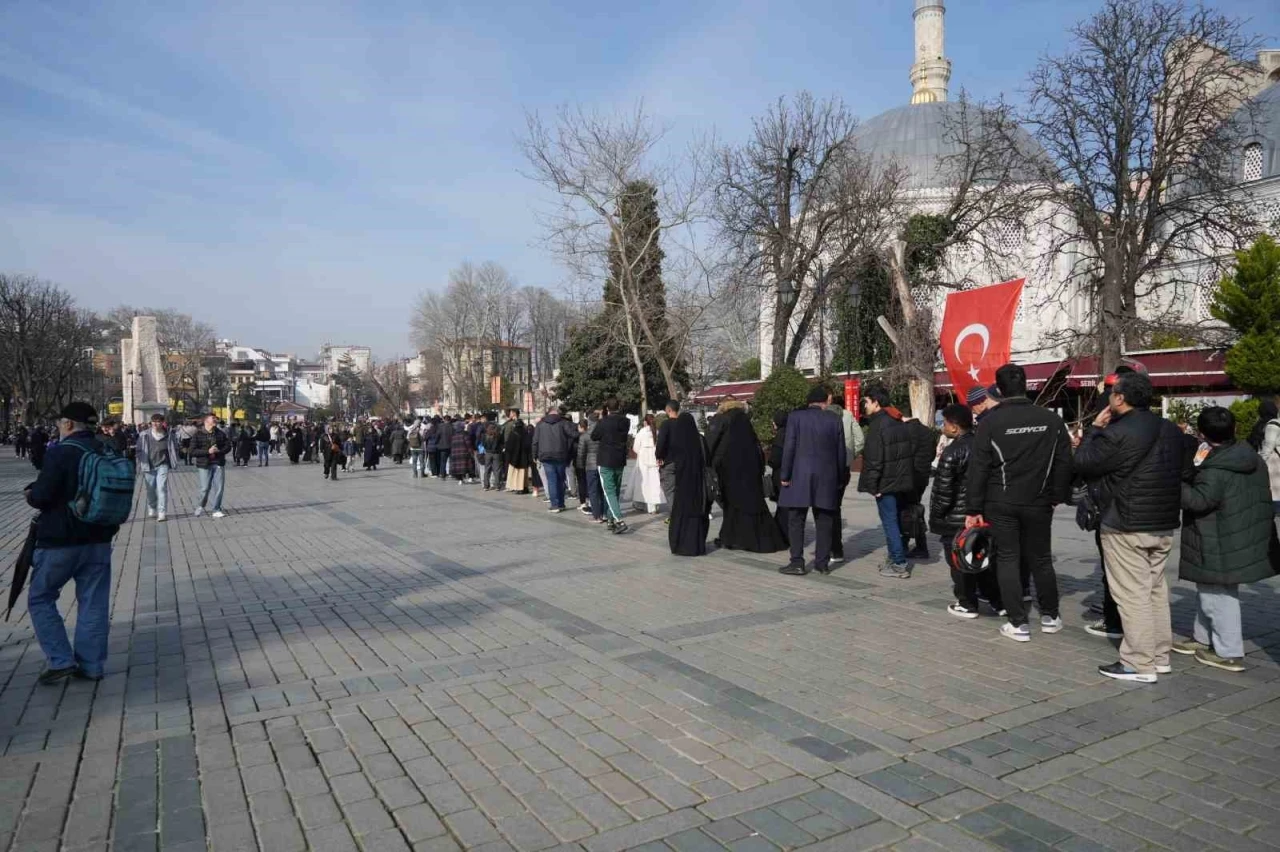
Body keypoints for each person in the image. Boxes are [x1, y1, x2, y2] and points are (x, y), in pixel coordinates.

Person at [1074, 371, 1186, 681]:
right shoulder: (1170, 430)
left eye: (1112, 393)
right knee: (1154, 590)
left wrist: (1094, 430)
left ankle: (1138, 662)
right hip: (1161, 522)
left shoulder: (1116, 432)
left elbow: (1083, 464)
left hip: (1126, 523)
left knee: (1132, 594)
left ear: (1120, 398)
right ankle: (1160, 655)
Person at [966, 363, 1072, 643]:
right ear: (1025, 385)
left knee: (1008, 559)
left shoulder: (989, 423)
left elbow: (978, 469)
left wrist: (973, 509)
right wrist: (1057, 496)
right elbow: (1064, 463)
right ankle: (1050, 616)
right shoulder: (1051, 420)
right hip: (1038, 501)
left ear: (998, 389)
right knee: (1040, 558)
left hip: (1000, 501)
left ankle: (1018, 623)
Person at [24, 403, 122, 685]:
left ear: (68, 424)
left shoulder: (61, 452)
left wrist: (30, 494)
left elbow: (42, 496)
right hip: (100, 537)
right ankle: (92, 666)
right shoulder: (106, 449)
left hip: (60, 540)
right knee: (93, 603)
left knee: (41, 597)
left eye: (59, 423)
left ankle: (61, 659)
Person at [1174, 407, 1274, 673]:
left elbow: (1199, 500)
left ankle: (1229, 652)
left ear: (1203, 434)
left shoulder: (1217, 468)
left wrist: (1177, 483)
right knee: (1210, 589)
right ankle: (1202, 638)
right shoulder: (1248, 456)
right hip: (1238, 533)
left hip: (1218, 536)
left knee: (1217, 595)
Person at [930, 404, 1003, 618]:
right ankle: (999, 602)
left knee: (959, 562)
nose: (942, 427)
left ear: (954, 427)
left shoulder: (952, 452)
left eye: (944, 423)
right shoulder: (982, 445)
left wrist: (937, 516)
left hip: (956, 519)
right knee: (983, 560)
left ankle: (967, 603)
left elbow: (943, 492)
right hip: (982, 515)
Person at [778, 385, 848, 575]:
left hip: (799, 476)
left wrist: (784, 475)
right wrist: (840, 478)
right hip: (827, 477)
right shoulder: (835, 420)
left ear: (809, 401)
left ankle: (797, 562)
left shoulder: (796, 417)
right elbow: (841, 452)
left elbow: (789, 448)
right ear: (824, 401)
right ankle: (822, 563)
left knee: (796, 519)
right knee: (825, 520)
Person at [710, 401, 785, 553]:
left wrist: (710, 464)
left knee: (731, 506)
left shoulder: (722, 419)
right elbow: (756, 447)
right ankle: (756, 539)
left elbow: (711, 443)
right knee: (752, 504)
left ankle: (730, 538)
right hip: (750, 470)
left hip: (729, 470)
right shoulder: (745, 422)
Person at [859, 386, 916, 578]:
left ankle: (899, 563)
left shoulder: (878, 425)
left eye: (866, 401)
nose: (864, 405)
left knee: (890, 522)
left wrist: (873, 486)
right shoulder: (897, 420)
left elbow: (875, 459)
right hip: (900, 480)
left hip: (885, 482)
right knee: (895, 520)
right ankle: (894, 557)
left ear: (875, 402)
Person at [662, 407, 709, 555]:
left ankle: (681, 544)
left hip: (682, 484)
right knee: (697, 512)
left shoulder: (678, 441)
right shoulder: (700, 439)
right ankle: (697, 545)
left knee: (682, 513)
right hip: (699, 483)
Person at [592, 398, 631, 534]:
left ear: (607, 408)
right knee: (616, 490)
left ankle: (619, 520)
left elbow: (594, 436)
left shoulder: (604, 422)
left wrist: (602, 418)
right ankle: (610, 519)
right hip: (619, 459)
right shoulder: (626, 421)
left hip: (605, 460)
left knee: (609, 491)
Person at [901, 415, 935, 559]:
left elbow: (905, 455)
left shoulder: (906, 430)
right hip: (923, 477)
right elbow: (932, 455)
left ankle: (906, 545)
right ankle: (920, 546)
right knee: (915, 510)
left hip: (909, 477)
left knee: (907, 512)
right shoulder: (927, 431)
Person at [135, 413, 179, 522]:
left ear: (162, 422)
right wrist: (141, 459)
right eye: (154, 422)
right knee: (150, 490)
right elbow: (139, 450)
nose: (156, 424)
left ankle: (162, 512)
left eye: (158, 421)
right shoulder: (144, 435)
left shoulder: (169, 435)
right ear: (151, 423)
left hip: (162, 465)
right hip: (148, 465)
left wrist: (173, 459)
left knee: (161, 488)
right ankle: (152, 506)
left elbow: (175, 448)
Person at [533, 407, 578, 511]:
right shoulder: (563, 423)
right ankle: (561, 503)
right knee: (561, 480)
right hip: (561, 455)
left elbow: (535, 441)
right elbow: (572, 434)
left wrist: (534, 455)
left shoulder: (540, 424)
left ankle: (555, 505)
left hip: (545, 456)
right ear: (557, 413)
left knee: (551, 480)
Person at [190, 413, 230, 518]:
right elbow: (192, 451)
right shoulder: (197, 434)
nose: (215, 420)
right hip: (204, 464)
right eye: (213, 418)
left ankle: (216, 509)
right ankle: (200, 505)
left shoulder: (220, 433)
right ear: (206, 421)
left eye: (216, 419)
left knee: (219, 488)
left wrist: (220, 451)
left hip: (218, 463)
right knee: (205, 488)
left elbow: (228, 446)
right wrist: (207, 451)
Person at [631, 414, 665, 513]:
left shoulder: (642, 432)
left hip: (643, 461)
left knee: (642, 483)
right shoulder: (657, 432)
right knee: (654, 483)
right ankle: (653, 506)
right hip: (654, 461)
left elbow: (635, 448)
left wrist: (642, 452)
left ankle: (640, 504)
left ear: (645, 422)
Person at [579, 413, 603, 521]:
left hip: (590, 465)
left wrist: (580, 466)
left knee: (593, 491)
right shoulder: (604, 434)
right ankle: (604, 513)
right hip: (603, 464)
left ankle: (596, 515)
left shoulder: (584, 436)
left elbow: (581, 453)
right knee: (602, 490)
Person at [503, 411, 530, 492]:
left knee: (516, 473)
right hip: (524, 456)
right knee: (523, 473)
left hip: (514, 456)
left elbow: (509, 445)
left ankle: (518, 488)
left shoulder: (513, 433)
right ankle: (525, 487)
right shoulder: (526, 432)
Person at [481, 417, 504, 490]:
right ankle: (497, 485)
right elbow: (502, 443)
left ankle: (486, 486)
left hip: (488, 453)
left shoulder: (485, 435)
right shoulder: (498, 435)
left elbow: (483, 444)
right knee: (497, 470)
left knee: (487, 469)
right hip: (497, 453)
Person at [450, 417, 475, 484]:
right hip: (464, 453)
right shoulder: (465, 434)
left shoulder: (454, 435)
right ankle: (470, 478)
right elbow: (468, 444)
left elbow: (452, 445)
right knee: (468, 466)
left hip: (455, 454)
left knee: (458, 467)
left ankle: (460, 480)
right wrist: (471, 452)